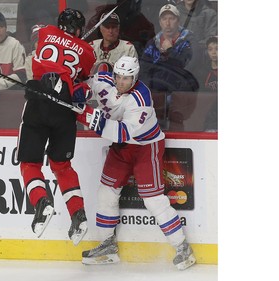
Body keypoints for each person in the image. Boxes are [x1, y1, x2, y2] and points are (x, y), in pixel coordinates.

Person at [75, 55, 196, 270]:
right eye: (118, 77)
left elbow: (121, 132)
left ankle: (182, 246)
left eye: (126, 78)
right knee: (106, 192)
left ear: (135, 78)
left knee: (153, 200)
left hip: (145, 147)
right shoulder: (106, 79)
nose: (120, 82)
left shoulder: (141, 99)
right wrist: (74, 94)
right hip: (122, 148)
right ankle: (107, 246)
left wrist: (85, 115)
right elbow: (88, 84)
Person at [16, 8, 96, 246]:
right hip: (65, 108)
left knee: (30, 163)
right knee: (62, 166)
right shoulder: (88, 51)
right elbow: (81, 77)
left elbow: (41, 39)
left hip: (39, 101)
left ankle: (42, 202)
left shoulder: (44, 32)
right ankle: (78, 216)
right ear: (80, 30)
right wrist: (78, 45)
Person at [139, 4, 198, 92]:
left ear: (178, 21)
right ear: (160, 22)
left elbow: (187, 67)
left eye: (171, 18)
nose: (167, 23)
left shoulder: (189, 41)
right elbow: (144, 70)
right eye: (164, 19)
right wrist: (149, 91)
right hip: (155, 92)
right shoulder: (152, 43)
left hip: (180, 92)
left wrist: (170, 50)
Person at [85, 0, 155, 57]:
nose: (110, 31)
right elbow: (87, 38)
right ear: (100, 28)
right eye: (107, 27)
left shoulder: (129, 48)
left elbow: (151, 40)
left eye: (113, 27)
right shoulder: (101, 14)